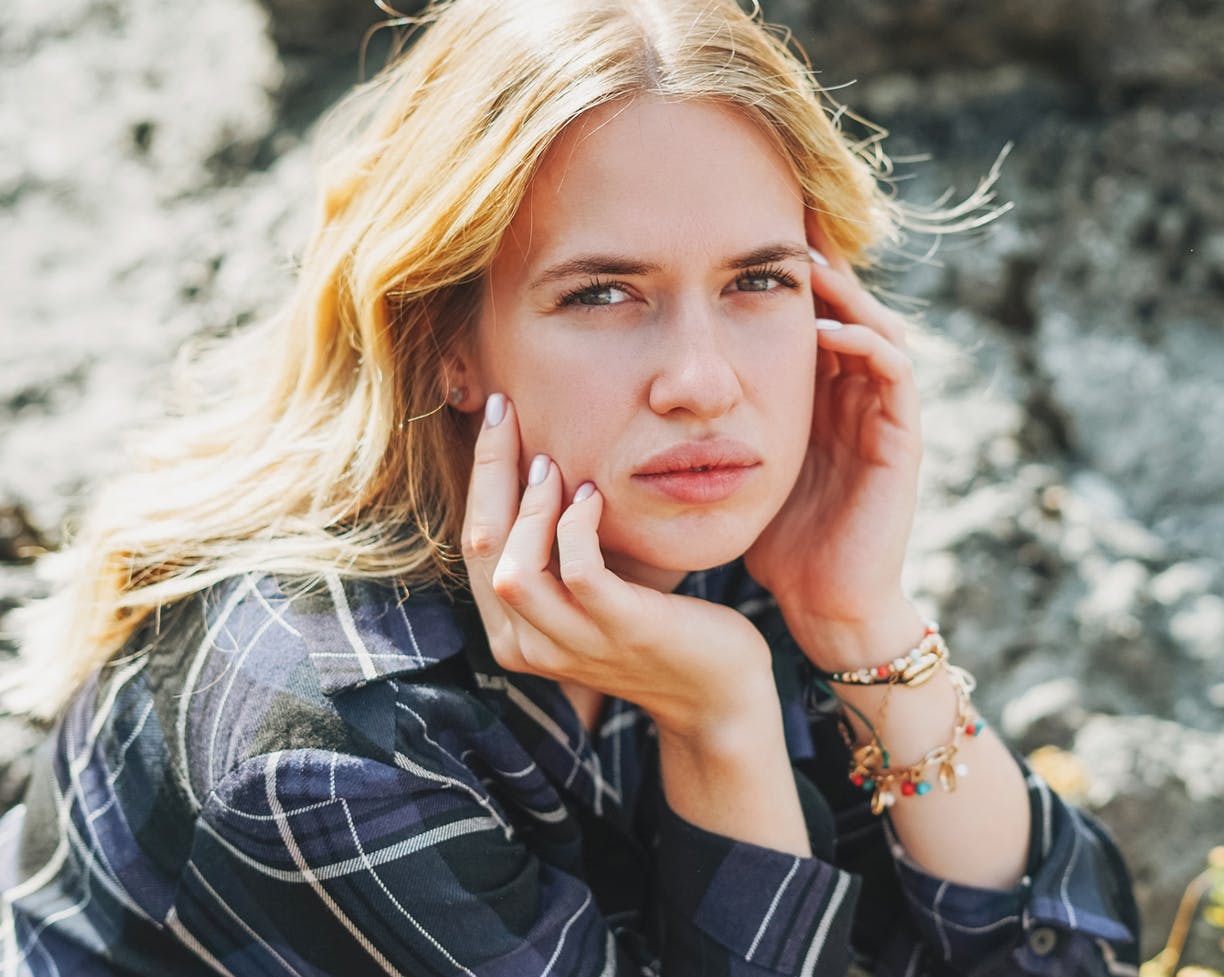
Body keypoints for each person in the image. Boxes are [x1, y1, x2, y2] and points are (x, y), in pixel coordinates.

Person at [0, 0, 1139, 974]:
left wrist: (861, 622)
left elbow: (1073, 953)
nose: (703, 382)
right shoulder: (322, 747)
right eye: (602, 292)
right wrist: (722, 721)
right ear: (447, 341)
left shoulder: (706, 542)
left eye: (758, 279)